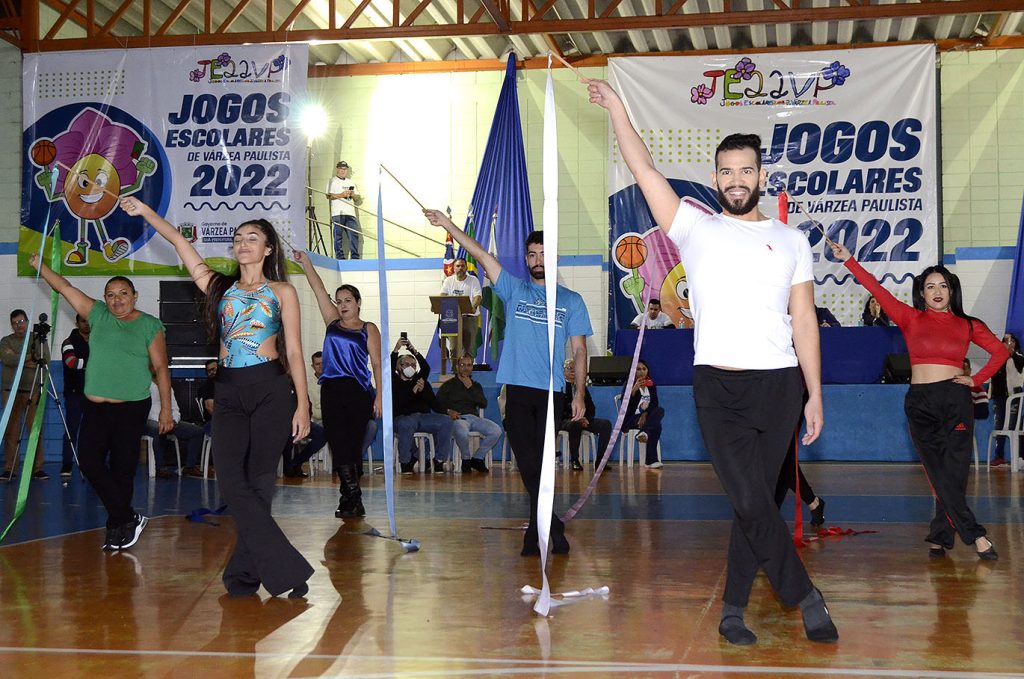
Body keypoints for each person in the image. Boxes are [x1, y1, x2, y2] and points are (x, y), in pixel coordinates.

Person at [591, 78, 837, 645]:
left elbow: (804, 322)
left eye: (744, 170)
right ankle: (804, 593)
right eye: (725, 171)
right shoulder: (694, 227)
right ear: (717, 179)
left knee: (759, 501)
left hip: (779, 388)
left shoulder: (792, 240)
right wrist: (620, 110)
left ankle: (731, 608)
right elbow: (645, 170)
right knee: (750, 498)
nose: (734, 180)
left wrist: (815, 393)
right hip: (717, 389)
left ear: (761, 177)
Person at [121, 196, 313, 598]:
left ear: (268, 248)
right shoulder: (218, 287)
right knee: (230, 482)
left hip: (271, 391)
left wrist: (303, 404)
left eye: (252, 237)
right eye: (238, 238)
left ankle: (243, 576)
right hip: (227, 391)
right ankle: (287, 567)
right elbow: (178, 241)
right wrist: (146, 212)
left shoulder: (282, 292)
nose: (243, 243)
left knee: (260, 485)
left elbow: (294, 351)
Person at [423, 209, 591, 558]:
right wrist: (448, 226)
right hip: (515, 390)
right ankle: (551, 529)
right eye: (531, 254)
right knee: (528, 463)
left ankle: (539, 536)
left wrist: (578, 395)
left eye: (544, 254)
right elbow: (483, 254)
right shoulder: (514, 290)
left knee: (541, 466)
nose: (537, 260)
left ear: (555, 256)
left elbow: (579, 350)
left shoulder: (572, 301)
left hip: (551, 393)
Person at [830, 241, 1009, 562]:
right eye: (930, 286)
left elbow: (1001, 351)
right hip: (920, 402)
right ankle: (971, 534)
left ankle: (949, 535)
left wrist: (976, 380)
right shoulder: (909, 318)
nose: (937, 290)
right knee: (936, 471)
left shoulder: (969, 324)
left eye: (943, 285)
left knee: (952, 473)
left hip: (954, 399)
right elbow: (878, 290)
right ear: (922, 293)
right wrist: (849, 261)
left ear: (951, 291)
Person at [30, 258, 171, 550]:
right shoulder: (97, 314)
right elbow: (65, 287)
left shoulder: (149, 324)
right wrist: (40, 266)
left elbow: (161, 368)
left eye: (123, 293)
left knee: (122, 469)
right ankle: (128, 517)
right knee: (90, 463)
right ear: (104, 299)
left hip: (131, 408)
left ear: (134, 296)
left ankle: (116, 527)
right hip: (95, 407)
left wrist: (167, 409)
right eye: (110, 294)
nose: (117, 299)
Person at [295, 251, 382, 514]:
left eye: (347, 300)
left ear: (358, 303)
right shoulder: (332, 322)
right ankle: (351, 497)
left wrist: (380, 396)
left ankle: (351, 498)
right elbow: (318, 287)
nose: (342, 304)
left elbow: (378, 364)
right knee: (338, 442)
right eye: (339, 300)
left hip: (358, 391)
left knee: (352, 445)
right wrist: (306, 263)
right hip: (331, 389)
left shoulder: (368, 328)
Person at [391, 340, 454, 474]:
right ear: (399, 366)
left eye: (413, 365)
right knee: (406, 424)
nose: (411, 367)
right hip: (404, 417)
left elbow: (426, 368)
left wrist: (413, 350)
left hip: (424, 417)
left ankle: (439, 460)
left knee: (446, 421)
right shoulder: (394, 382)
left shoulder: (420, 380)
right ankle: (406, 462)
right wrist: (396, 350)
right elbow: (399, 404)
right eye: (407, 364)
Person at [1, 309, 47, 480]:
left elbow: (44, 359)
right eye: (14, 323)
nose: (18, 326)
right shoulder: (6, 341)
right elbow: (7, 360)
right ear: (11, 325)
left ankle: (37, 468)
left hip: (32, 390)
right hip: (10, 390)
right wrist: (29, 359)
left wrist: (19, 360)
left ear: (27, 322)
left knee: (34, 430)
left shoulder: (37, 339)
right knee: (11, 430)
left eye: (21, 322)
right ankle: (10, 468)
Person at [437, 355, 502, 473]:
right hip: (458, 418)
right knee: (462, 431)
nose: (466, 368)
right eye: (463, 365)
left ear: (472, 367)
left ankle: (478, 458)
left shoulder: (476, 385)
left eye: (469, 365)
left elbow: (483, 404)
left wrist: (471, 388)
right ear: (457, 367)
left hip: (474, 418)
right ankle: (466, 459)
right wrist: (448, 411)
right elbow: (437, 404)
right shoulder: (448, 385)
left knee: (496, 430)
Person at [145, 371, 205, 477]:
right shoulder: (145, 384)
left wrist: (174, 421)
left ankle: (189, 467)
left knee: (197, 431)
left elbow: (175, 408)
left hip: (169, 421)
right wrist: (160, 421)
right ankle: (160, 468)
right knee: (156, 429)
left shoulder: (168, 387)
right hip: (151, 421)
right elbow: (145, 409)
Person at [282, 351, 329, 479]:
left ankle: (296, 462)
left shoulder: (298, 384)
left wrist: (305, 419)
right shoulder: (279, 384)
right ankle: (288, 466)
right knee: (287, 434)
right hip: (283, 423)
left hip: (301, 421)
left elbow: (307, 404)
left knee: (322, 434)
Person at [559, 359, 611, 471]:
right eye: (569, 368)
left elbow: (591, 407)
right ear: (563, 371)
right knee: (575, 425)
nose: (573, 370)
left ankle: (600, 462)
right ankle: (575, 460)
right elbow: (559, 409)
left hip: (583, 419)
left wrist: (586, 418)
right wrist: (576, 418)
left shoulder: (581, 387)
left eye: (575, 368)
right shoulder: (560, 386)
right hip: (565, 420)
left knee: (605, 424)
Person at [60, 313, 90, 478]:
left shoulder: (98, 341)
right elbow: (72, 363)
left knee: (91, 432)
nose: (86, 324)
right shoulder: (68, 342)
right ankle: (67, 464)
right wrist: (94, 363)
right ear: (77, 323)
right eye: (83, 321)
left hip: (94, 394)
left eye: (88, 321)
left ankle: (88, 464)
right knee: (71, 429)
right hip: (74, 394)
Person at [439, 258, 483, 367]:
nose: (460, 268)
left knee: (469, 349)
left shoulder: (473, 280)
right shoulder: (448, 280)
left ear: (466, 267)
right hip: (453, 318)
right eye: (458, 266)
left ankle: (467, 374)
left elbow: (477, 296)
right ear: (454, 268)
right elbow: (443, 295)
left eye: (462, 266)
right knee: (454, 348)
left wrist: (472, 306)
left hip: (469, 318)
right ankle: (455, 373)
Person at [622, 359, 665, 469]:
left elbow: (654, 404)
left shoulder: (651, 385)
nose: (641, 372)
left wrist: (645, 414)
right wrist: (634, 390)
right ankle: (651, 460)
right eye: (638, 369)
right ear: (633, 371)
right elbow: (625, 407)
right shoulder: (629, 385)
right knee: (656, 426)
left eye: (644, 369)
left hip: (646, 417)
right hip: (631, 418)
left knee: (660, 410)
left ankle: (644, 432)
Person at [989, 332, 1023, 467]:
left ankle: (1020, 458)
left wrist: (1012, 353)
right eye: (1006, 341)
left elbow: (1021, 365)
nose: (1009, 344)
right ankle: (999, 456)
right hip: (999, 397)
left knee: (1015, 426)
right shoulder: (996, 358)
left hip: (1014, 396)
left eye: (1012, 341)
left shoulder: (1019, 357)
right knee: (1000, 426)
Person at [327, 161, 362, 259]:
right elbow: (328, 196)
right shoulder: (332, 181)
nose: (343, 171)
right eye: (341, 169)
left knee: (354, 235)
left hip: (350, 213)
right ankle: (340, 258)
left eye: (345, 169)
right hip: (338, 213)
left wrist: (352, 194)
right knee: (338, 236)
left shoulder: (351, 182)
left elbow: (357, 198)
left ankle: (355, 258)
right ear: (337, 169)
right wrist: (342, 195)